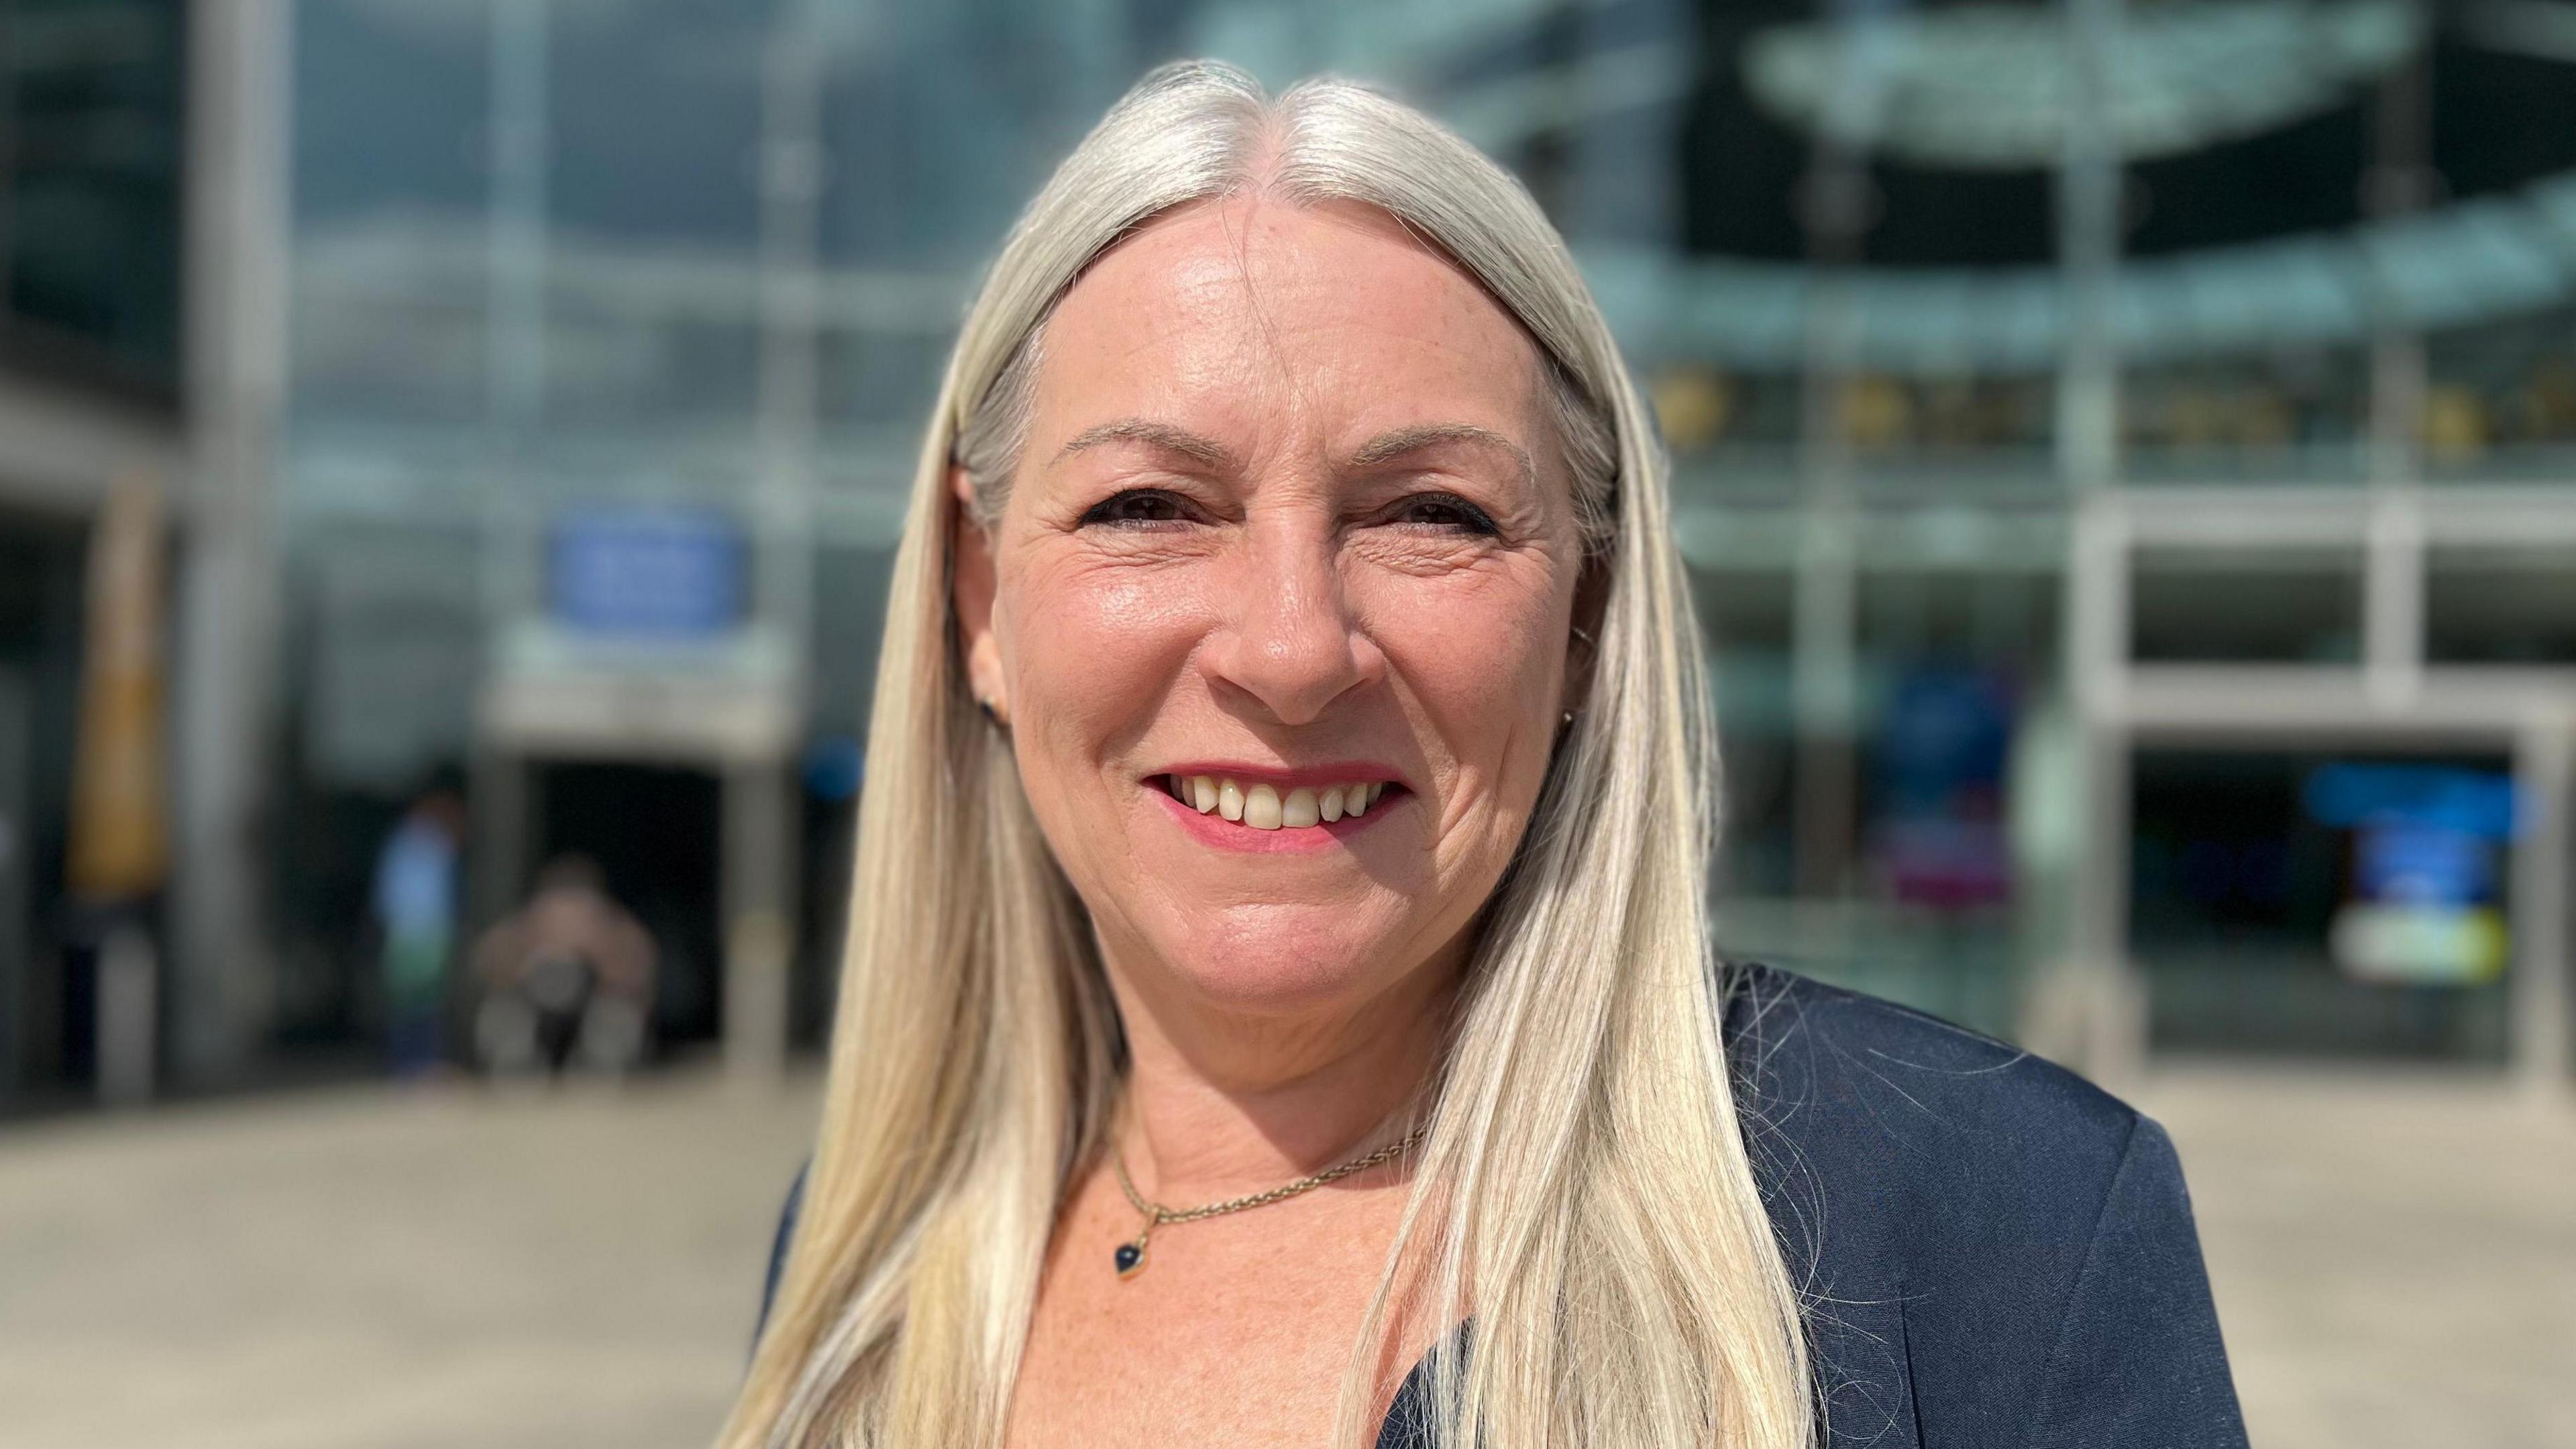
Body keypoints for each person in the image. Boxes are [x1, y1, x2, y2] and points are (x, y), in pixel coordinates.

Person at [727, 62, 2247, 1449]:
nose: (1288, 644)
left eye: (1430, 514)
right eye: (1148, 505)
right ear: (981, 599)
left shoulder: (1992, 1228)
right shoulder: (870, 1268)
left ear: (1584, 613)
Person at [470, 854, 655, 1079]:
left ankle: (599, 1067)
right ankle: (517, 1068)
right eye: (559, 907)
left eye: (576, 907)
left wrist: (603, 965)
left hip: (598, 1003)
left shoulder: (613, 928)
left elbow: (640, 964)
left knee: (616, 1012)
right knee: (502, 1010)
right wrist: (523, 966)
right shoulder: (524, 927)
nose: (567, 919)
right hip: (530, 1003)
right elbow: (487, 959)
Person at [370, 779, 464, 1079]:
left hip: (432, 936)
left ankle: (424, 1066)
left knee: (430, 1003)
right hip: (408, 936)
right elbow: (389, 896)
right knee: (407, 1005)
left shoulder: (439, 845)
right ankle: (407, 1066)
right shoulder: (405, 844)